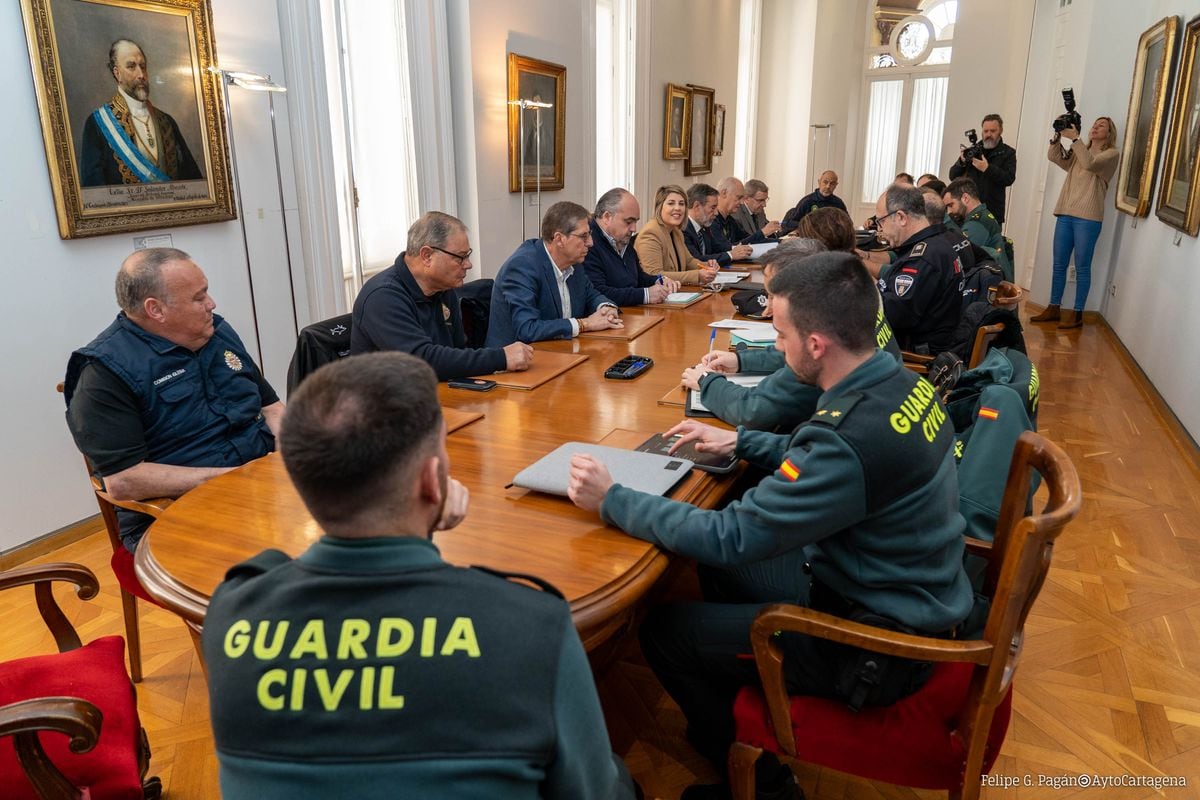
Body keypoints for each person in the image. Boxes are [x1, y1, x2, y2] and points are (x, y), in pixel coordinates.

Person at [568, 252, 971, 800]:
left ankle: (767, 783)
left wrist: (612, 498)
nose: (774, 347)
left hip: (870, 645)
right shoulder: (896, 382)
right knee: (717, 568)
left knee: (665, 633)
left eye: (780, 334)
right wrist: (741, 439)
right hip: (906, 592)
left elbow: (732, 534)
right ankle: (728, 711)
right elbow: (844, 461)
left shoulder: (846, 434)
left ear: (816, 344)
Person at [201, 352, 637, 800]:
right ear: (434, 481)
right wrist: (422, 520)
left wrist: (418, 515)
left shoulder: (229, 614)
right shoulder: (530, 625)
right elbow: (592, 792)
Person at [63, 248, 282, 551]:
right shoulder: (103, 373)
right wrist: (234, 480)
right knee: (294, 568)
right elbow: (123, 479)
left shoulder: (218, 332)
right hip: (180, 514)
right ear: (156, 310)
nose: (211, 304)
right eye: (198, 297)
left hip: (261, 489)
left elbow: (271, 406)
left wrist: (290, 454)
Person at [352, 212, 532, 379]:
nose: (468, 264)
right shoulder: (382, 297)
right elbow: (421, 361)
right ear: (427, 256)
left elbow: (456, 351)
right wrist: (500, 358)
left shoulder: (443, 289)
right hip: (385, 406)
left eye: (467, 255)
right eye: (460, 257)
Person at [486, 201, 623, 346]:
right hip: (515, 362)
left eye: (589, 234)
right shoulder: (522, 267)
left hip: (559, 351)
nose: (590, 242)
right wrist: (585, 324)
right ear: (559, 239)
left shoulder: (574, 262)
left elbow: (591, 295)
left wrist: (606, 308)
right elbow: (527, 329)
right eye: (583, 236)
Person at [1030, 117, 1120, 330]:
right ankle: (1054, 307)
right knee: (1059, 264)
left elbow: (1090, 163)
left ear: (1109, 134)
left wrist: (1076, 139)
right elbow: (1054, 157)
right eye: (1095, 124)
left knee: (1082, 267)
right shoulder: (1080, 150)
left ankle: (1078, 312)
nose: (1095, 127)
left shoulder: (1111, 154)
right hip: (1065, 212)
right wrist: (1058, 135)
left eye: (1101, 126)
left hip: (1088, 218)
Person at [80, 39, 203, 187]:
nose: (141, 75)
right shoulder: (98, 123)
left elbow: (193, 182)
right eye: (131, 66)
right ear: (117, 73)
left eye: (143, 66)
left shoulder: (167, 121)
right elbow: (95, 191)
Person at [875, 184, 965, 354]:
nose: (880, 229)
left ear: (901, 217)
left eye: (881, 221)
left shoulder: (923, 258)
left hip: (916, 357)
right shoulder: (936, 243)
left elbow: (892, 316)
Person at [583, 188, 680, 306]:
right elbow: (597, 293)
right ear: (607, 217)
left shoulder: (621, 237)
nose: (634, 229)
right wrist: (645, 295)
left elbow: (638, 277)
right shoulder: (587, 243)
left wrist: (659, 280)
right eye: (628, 222)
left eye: (635, 222)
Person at [634, 185, 719, 285]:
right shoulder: (650, 234)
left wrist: (706, 266)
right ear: (659, 207)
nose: (678, 208)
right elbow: (654, 274)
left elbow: (689, 262)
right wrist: (697, 275)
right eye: (671, 203)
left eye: (681, 204)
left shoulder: (676, 231)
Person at [947, 113, 1017, 224]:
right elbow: (952, 176)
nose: (989, 134)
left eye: (993, 131)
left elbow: (1008, 178)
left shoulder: (1008, 153)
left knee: (991, 241)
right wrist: (962, 162)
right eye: (986, 131)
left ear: (1001, 131)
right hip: (967, 211)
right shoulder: (972, 151)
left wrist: (987, 168)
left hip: (992, 212)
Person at [942, 178, 1013, 281]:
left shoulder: (977, 222)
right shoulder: (982, 215)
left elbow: (963, 255)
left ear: (965, 198)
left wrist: (947, 222)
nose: (949, 211)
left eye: (951, 205)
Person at [683, 183, 751, 267]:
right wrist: (731, 255)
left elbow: (718, 249)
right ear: (697, 206)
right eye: (713, 207)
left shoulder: (704, 228)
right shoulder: (683, 229)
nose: (716, 213)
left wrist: (737, 250)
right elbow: (697, 260)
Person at [713, 177, 775, 248]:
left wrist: (780, 242)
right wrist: (762, 233)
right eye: (738, 197)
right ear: (724, 193)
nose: (742, 202)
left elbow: (749, 240)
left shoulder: (730, 220)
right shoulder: (711, 220)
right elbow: (726, 248)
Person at [779, 171, 846, 233]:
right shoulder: (807, 201)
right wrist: (809, 225)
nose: (828, 186)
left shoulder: (838, 204)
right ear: (819, 182)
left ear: (836, 185)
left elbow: (847, 223)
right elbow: (790, 223)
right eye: (825, 182)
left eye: (832, 183)